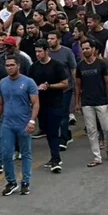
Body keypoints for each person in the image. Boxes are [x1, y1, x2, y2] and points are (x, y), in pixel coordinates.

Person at [0, 56, 39, 196]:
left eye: (12, 65)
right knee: (6, 153)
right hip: (7, 124)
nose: (9, 68)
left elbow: (35, 103)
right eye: (7, 65)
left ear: (18, 66)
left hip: (23, 124)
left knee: (25, 153)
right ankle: (11, 182)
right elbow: (0, 103)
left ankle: (25, 182)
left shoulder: (28, 82)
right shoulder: (2, 83)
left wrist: (32, 121)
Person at [30, 40, 69, 173]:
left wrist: (49, 86)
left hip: (55, 103)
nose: (38, 54)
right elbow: (30, 85)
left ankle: (56, 159)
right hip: (40, 105)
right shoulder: (34, 67)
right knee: (47, 131)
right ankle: (54, 156)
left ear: (47, 51)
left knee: (53, 132)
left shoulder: (56, 66)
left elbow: (65, 84)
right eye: (36, 51)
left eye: (40, 51)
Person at [76, 40, 108, 166]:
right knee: (92, 131)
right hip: (87, 102)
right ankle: (96, 157)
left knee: (107, 129)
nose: (85, 51)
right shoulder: (80, 66)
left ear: (93, 49)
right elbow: (78, 85)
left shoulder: (102, 64)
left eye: (87, 48)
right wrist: (77, 102)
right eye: (83, 49)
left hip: (101, 101)